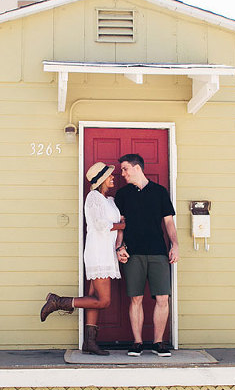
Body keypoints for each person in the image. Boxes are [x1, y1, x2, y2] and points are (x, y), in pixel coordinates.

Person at [40, 162, 125, 356]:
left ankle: (90, 342)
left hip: (107, 252)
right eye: (110, 176)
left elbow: (117, 223)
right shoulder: (93, 197)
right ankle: (59, 302)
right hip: (98, 252)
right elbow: (101, 225)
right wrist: (121, 226)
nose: (114, 177)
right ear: (101, 180)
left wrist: (120, 233)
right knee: (103, 301)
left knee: (94, 297)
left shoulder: (110, 200)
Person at [114, 153, 178, 357]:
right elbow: (120, 226)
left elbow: (169, 222)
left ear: (137, 168)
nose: (122, 173)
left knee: (162, 298)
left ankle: (159, 343)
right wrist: (119, 247)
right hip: (133, 253)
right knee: (136, 298)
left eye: (125, 168)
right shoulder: (122, 195)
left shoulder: (159, 192)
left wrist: (175, 245)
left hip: (158, 252)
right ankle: (137, 342)